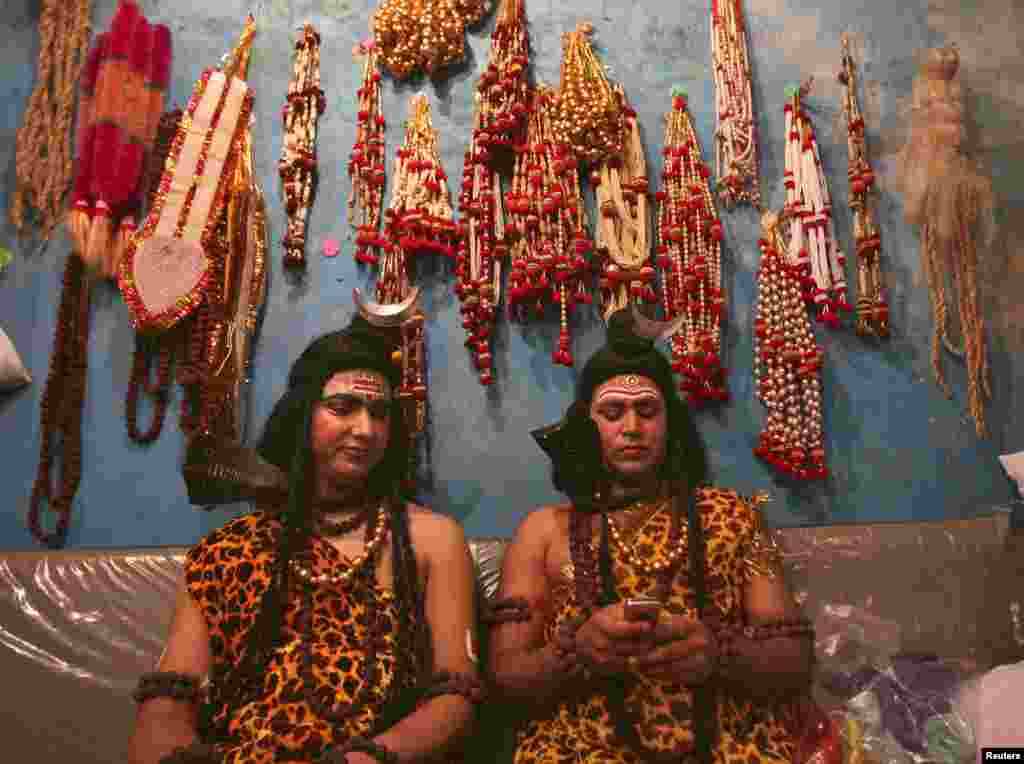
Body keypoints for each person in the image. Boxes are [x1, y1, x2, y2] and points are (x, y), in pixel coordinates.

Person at [128, 311, 483, 764]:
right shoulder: (227, 550)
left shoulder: (431, 539)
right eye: (342, 408)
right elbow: (169, 699)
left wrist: (370, 758)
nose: (365, 429)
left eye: (380, 413)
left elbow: (456, 699)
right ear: (302, 415)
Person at [488, 306, 816, 764]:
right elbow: (505, 676)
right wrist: (575, 653)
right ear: (587, 424)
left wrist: (718, 653)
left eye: (647, 411)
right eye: (612, 412)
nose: (632, 428)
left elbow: (793, 660)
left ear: (671, 424)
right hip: (578, 747)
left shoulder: (737, 517)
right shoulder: (544, 530)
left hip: (728, 744)